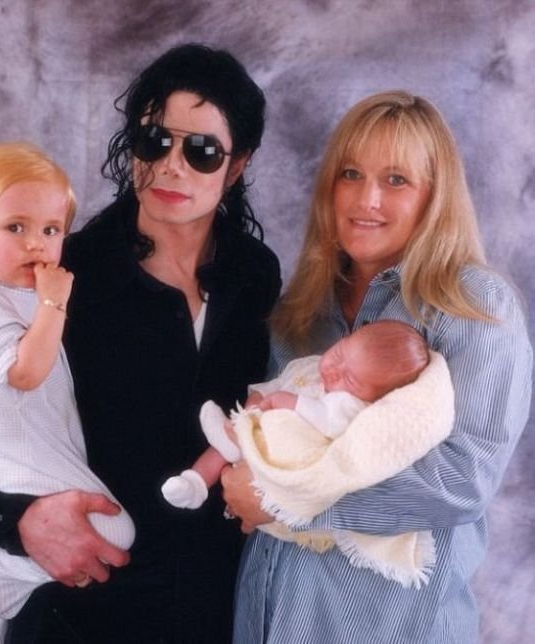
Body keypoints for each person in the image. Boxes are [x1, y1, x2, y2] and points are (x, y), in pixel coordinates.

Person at [0, 44, 281, 643]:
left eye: (201, 151)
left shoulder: (254, 274)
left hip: (211, 610)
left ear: (237, 165)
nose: (171, 166)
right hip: (79, 610)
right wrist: (19, 521)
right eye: (153, 141)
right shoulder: (64, 274)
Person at [221, 90, 532, 643]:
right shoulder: (301, 311)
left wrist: (286, 501)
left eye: (396, 180)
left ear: (433, 197)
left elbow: (462, 480)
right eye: (351, 174)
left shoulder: (474, 308)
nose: (367, 199)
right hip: (271, 619)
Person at [0, 142, 136, 644]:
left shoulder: (13, 295)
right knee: (116, 531)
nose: (36, 244)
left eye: (51, 230)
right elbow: (26, 372)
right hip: (17, 462)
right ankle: (3, 572)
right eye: (16, 227)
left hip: (40, 450)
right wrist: (54, 303)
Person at [163, 319, 455, 589]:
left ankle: (231, 476)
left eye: (350, 379)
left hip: (290, 471)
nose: (333, 370)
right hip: (255, 453)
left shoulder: (352, 407)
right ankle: (196, 481)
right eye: (339, 354)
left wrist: (289, 402)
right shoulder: (311, 368)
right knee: (229, 444)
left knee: (234, 444)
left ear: (374, 397)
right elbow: (276, 384)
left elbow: (327, 419)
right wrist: (257, 400)